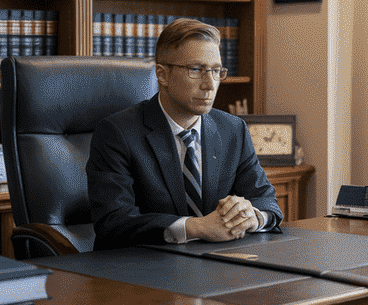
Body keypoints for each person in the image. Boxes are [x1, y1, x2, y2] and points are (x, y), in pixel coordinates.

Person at [86, 18, 282, 250]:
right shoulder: (117, 133)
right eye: (196, 70)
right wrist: (196, 227)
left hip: (215, 267)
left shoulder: (232, 129)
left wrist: (253, 216)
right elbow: (113, 221)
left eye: (216, 71)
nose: (210, 84)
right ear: (162, 75)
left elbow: (267, 201)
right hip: (142, 268)